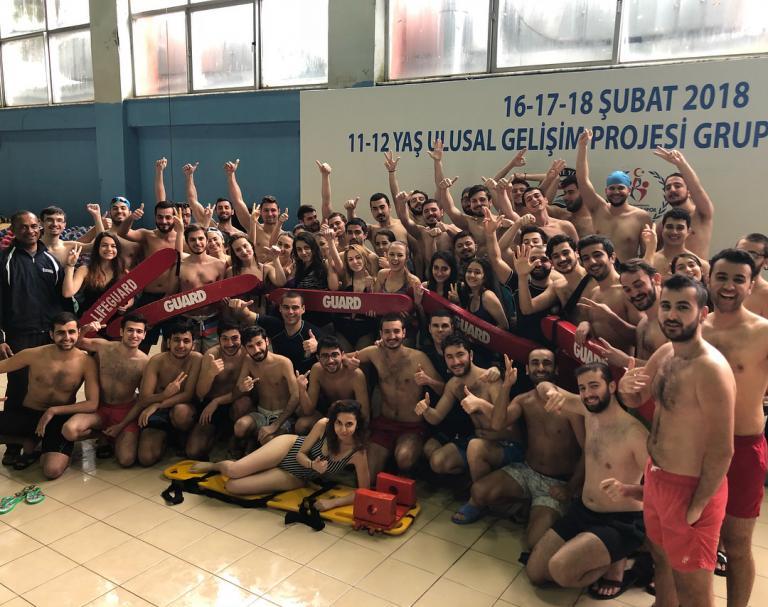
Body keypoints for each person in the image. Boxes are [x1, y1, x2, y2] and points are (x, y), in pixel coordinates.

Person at [619, 274, 736, 607]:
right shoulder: (667, 353)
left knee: (695, 594)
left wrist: (697, 505)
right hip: (657, 477)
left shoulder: (710, 369)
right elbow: (637, 396)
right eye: (666, 306)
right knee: (663, 565)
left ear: (702, 313)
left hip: (691, 491)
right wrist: (626, 389)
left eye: (682, 307)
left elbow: (722, 449)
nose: (671, 314)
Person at [526, 363, 648, 601]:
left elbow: (663, 488)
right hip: (584, 511)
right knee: (535, 572)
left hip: (620, 521)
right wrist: (552, 393)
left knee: (560, 570)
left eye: (594, 386)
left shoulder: (634, 433)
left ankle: (620, 558)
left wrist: (629, 489)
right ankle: (604, 554)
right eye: (582, 388)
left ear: (612, 386)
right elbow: (542, 386)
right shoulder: (588, 410)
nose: (588, 393)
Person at [463, 349, 584, 547]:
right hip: (527, 471)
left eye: (546, 363)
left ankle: (542, 510)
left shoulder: (570, 405)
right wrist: (506, 386)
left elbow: (588, 451)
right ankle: (524, 506)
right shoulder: (523, 400)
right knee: (478, 492)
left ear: (556, 369)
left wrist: (570, 488)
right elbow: (497, 423)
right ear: (527, 369)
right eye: (535, 363)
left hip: (557, 482)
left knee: (533, 542)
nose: (541, 367)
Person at [702, 249, 768, 607]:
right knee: (697, 536)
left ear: (751, 284)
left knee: (738, 543)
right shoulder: (695, 326)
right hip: (696, 446)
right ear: (709, 278)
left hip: (744, 448)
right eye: (722, 277)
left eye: (738, 279)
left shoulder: (763, 332)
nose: (728, 286)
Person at [191, 400, 370, 510]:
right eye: (339, 423)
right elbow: (301, 453)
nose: (343, 429)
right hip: (288, 447)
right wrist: (312, 465)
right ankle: (215, 466)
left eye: (349, 424)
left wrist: (332, 503)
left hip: (296, 476)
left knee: (233, 486)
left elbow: (364, 492)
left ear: (357, 425)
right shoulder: (324, 425)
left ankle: (248, 469)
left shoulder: (357, 452)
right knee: (234, 471)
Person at [0, 211, 65, 466]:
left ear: (39, 229)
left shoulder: (51, 260)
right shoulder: (5, 261)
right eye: (23, 227)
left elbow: (62, 300)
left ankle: (43, 437)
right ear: (13, 230)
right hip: (18, 337)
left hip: (49, 336)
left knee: (49, 386)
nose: (30, 231)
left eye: (33, 226)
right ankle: (14, 444)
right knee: (19, 389)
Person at [0, 312, 99, 477]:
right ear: (51, 334)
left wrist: (53, 411)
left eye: (71, 332)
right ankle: (26, 441)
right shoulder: (33, 354)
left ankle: (44, 446)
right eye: (60, 332)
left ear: (78, 332)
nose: (67, 337)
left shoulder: (86, 362)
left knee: (52, 470)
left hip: (57, 419)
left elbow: (92, 403)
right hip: (28, 413)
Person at [346, 314, 445, 477]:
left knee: (404, 459)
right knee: (367, 474)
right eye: (387, 332)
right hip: (384, 424)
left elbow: (443, 389)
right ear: (381, 334)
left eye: (396, 331)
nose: (392, 336)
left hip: (412, 427)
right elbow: (342, 357)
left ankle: (409, 462)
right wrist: (349, 362)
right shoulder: (374, 353)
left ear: (404, 333)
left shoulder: (418, 358)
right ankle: (386, 462)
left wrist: (429, 381)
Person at [64, 314, 149, 467]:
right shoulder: (104, 347)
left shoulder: (145, 363)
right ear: (121, 332)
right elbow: (76, 343)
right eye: (130, 330)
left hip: (125, 410)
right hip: (99, 407)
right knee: (69, 430)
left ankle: (117, 435)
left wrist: (121, 425)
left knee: (126, 460)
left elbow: (142, 400)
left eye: (139, 331)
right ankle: (102, 434)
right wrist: (85, 330)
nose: (134, 335)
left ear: (144, 335)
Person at [416, 333, 503, 478]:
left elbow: (504, 420)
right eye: (449, 357)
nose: (455, 361)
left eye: (460, 354)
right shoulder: (453, 384)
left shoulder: (491, 379)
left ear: (471, 355)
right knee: (437, 461)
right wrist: (425, 409)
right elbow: (436, 417)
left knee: (476, 451)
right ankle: (472, 477)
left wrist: (481, 404)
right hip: (476, 439)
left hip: (503, 443)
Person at [576, 129, 653, 262]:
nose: (616, 192)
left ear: (629, 190)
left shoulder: (641, 217)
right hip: (597, 274)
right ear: (606, 191)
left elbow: (648, 254)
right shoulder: (598, 208)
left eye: (620, 188)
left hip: (626, 276)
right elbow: (582, 180)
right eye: (612, 188)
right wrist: (583, 147)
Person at [135, 319, 203, 466]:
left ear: (193, 344)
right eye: (176, 340)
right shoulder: (156, 361)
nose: (181, 346)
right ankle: (167, 437)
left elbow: (188, 395)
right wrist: (163, 396)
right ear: (168, 342)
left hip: (182, 410)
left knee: (181, 412)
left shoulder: (196, 359)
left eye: (186, 341)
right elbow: (143, 399)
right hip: (160, 413)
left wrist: (158, 404)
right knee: (146, 458)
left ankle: (181, 435)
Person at [116, 200, 182, 352]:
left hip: (173, 298)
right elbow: (122, 233)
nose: (164, 221)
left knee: (171, 342)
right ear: (155, 217)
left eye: (168, 217)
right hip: (148, 296)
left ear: (175, 218)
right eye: (160, 217)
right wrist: (131, 218)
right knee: (142, 343)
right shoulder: (148, 235)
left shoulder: (182, 239)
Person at [186, 323, 252, 460]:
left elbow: (240, 390)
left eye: (235, 338)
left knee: (244, 402)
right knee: (193, 452)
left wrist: (217, 401)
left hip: (235, 403)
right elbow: (200, 393)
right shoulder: (212, 355)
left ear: (241, 338)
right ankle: (217, 434)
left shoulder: (247, 354)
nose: (230, 343)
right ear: (218, 339)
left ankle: (235, 438)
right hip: (210, 407)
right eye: (225, 339)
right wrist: (210, 374)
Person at [232, 325, 299, 448]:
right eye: (250, 346)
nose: (256, 350)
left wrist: (276, 425)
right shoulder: (248, 361)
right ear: (245, 348)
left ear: (267, 341)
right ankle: (249, 442)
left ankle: (256, 444)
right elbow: (237, 391)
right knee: (239, 427)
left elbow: (295, 396)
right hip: (261, 413)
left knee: (267, 441)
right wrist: (242, 388)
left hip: (283, 416)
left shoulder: (283, 362)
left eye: (259, 343)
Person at [575, 235, 639, 353]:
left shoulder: (628, 291)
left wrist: (611, 318)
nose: (592, 262)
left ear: (612, 257)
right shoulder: (594, 292)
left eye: (597, 255)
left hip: (623, 369)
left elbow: (642, 339)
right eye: (586, 258)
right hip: (597, 365)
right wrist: (586, 324)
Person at [295, 335, 370, 434]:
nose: (330, 361)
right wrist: (302, 389)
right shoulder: (316, 370)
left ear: (342, 355)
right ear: (318, 357)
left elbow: (365, 416)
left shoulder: (356, 375)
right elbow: (308, 411)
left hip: (350, 422)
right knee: (301, 424)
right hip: (328, 417)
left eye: (334, 355)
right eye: (325, 356)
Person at [653, 147, 714, 259]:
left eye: (677, 186)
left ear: (689, 191)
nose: (672, 190)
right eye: (668, 188)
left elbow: (698, 189)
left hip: (697, 275)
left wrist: (681, 164)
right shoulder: (662, 225)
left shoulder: (702, 214)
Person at [178, 225, 228, 351]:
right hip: (187, 320)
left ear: (206, 240)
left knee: (213, 359)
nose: (197, 243)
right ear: (187, 242)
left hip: (213, 319)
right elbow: (171, 295)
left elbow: (222, 295)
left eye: (201, 238)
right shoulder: (180, 266)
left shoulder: (219, 265)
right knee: (188, 362)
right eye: (193, 240)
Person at [63, 232, 130, 318]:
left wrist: (126, 305)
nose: (109, 249)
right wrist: (70, 266)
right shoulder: (84, 270)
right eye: (104, 245)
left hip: (113, 322)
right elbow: (67, 293)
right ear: (97, 248)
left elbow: (130, 296)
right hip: (89, 320)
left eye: (113, 246)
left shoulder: (123, 272)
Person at [651, 208, 709, 279]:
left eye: (680, 228)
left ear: (688, 231)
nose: (674, 232)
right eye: (669, 227)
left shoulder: (703, 266)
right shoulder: (650, 262)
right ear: (662, 229)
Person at [736, 233, 768, 318]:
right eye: (739, 253)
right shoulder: (722, 286)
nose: (744, 259)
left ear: (766, 262)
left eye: (753, 255)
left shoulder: (766, 294)